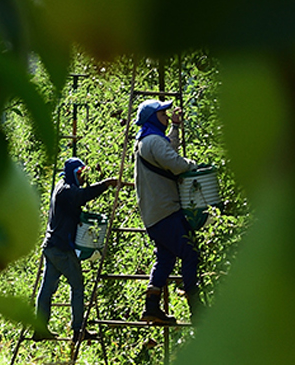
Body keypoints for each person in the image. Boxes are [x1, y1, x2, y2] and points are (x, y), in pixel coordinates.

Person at [34, 157, 120, 341]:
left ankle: (40, 329)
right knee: (78, 286)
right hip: (61, 248)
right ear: (73, 173)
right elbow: (81, 196)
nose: (82, 178)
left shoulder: (61, 186)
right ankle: (78, 330)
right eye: (80, 174)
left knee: (47, 288)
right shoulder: (66, 190)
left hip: (52, 246)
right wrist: (105, 184)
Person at [133, 98, 201, 326]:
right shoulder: (153, 141)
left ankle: (151, 307)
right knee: (190, 253)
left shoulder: (146, 140)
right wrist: (192, 164)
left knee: (165, 258)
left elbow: (167, 150)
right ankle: (197, 308)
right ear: (153, 117)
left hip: (153, 215)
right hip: (166, 211)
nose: (166, 116)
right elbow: (177, 164)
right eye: (163, 114)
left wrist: (175, 126)